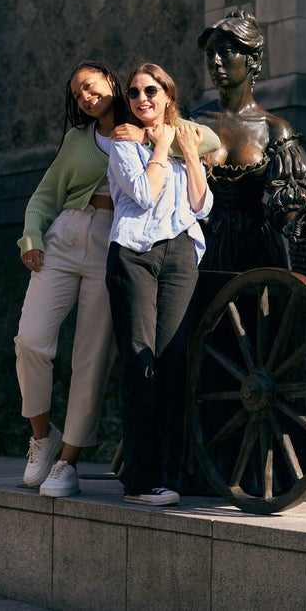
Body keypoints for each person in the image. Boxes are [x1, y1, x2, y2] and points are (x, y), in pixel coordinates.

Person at [15, 61, 218, 498]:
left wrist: (160, 138)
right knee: (33, 341)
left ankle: (70, 463)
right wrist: (31, 235)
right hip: (92, 239)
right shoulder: (99, 139)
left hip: (155, 242)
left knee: (109, 358)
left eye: (91, 87)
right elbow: (52, 193)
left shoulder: (158, 132)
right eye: (77, 94)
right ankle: (44, 439)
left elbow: (207, 167)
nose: (86, 97)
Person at [106, 62, 213, 506]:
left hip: (181, 255)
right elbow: (145, 195)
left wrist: (184, 151)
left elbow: (201, 204)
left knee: (172, 362)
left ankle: (170, 476)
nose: (142, 99)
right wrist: (158, 146)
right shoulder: (123, 144)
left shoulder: (183, 139)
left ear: (168, 95)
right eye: (133, 93)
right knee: (139, 362)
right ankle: (140, 479)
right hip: (134, 253)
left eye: (151, 90)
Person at [192, 10, 306, 271]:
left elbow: (290, 200)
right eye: (210, 54)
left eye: (225, 52)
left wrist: (296, 221)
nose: (215, 62)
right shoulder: (194, 121)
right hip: (201, 243)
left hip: (256, 250)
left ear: (252, 59)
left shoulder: (274, 129)